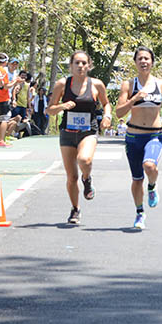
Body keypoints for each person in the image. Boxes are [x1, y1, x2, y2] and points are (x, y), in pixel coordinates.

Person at [46, 51, 112, 224]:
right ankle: (75, 209)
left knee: (85, 159)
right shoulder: (62, 84)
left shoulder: (96, 84)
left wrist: (107, 117)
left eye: (84, 63)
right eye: (77, 63)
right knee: (71, 177)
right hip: (67, 132)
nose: (81, 66)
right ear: (71, 66)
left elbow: (106, 104)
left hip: (87, 131)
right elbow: (50, 109)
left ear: (89, 66)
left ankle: (87, 178)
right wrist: (62, 106)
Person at [115, 46, 162, 231]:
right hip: (133, 136)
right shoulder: (129, 85)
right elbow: (119, 113)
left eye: (147, 58)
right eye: (140, 58)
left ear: (152, 62)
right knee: (136, 178)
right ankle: (140, 213)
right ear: (135, 62)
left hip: (154, 134)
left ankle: (153, 185)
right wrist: (134, 99)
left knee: (149, 166)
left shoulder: (161, 84)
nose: (143, 62)